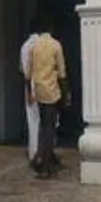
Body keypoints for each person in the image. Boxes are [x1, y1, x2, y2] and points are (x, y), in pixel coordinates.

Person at [27, 19, 69, 180]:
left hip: (38, 90)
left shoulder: (34, 46)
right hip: (51, 91)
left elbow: (29, 71)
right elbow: (62, 73)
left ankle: (46, 159)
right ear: (51, 28)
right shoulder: (55, 45)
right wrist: (66, 94)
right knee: (49, 129)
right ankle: (46, 166)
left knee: (43, 125)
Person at [19, 24, 40, 168]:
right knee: (46, 121)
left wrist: (29, 93)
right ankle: (42, 152)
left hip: (31, 85)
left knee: (32, 121)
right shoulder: (44, 44)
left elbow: (24, 72)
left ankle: (34, 152)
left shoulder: (25, 46)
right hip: (44, 85)